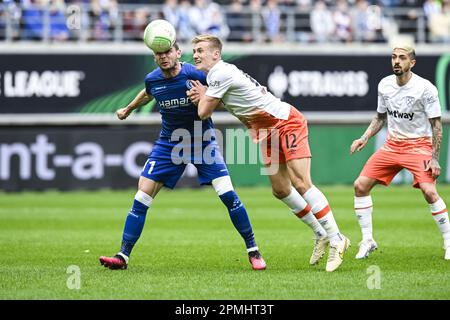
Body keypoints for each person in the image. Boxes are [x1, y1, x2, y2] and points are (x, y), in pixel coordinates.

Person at [187, 34, 350, 272]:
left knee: (301, 182)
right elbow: (231, 101)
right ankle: (320, 232)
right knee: (281, 189)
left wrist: (202, 96)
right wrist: (207, 94)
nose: (196, 55)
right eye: (195, 51)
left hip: (286, 122)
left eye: (200, 50)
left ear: (216, 54)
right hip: (266, 132)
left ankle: (337, 238)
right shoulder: (218, 75)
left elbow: (203, 112)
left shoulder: (219, 73)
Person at [99, 42, 266, 271]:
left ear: (178, 53)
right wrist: (128, 109)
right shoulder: (153, 79)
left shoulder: (196, 74)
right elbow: (148, 93)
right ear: (155, 57)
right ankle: (122, 256)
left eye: (168, 52)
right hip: (169, 144)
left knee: (228, 195)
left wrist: (209, 95)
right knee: (141, 197)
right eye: (159, 54)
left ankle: (253, 250)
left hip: (202, 141)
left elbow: (223, 93)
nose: (164, 57)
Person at [350, 45, 450, 260]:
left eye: (402, 58)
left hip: (419, 146)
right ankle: (367, 240)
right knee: (360, 185)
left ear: (411, 63)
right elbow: (380, 117)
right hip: (392, 146)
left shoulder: (426, 88)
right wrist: (364, 138)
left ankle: (448, 242)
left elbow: (436, 125)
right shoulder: (385, 85)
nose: (396, 61)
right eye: (394, 57)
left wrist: (434, 159)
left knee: (429, 191)